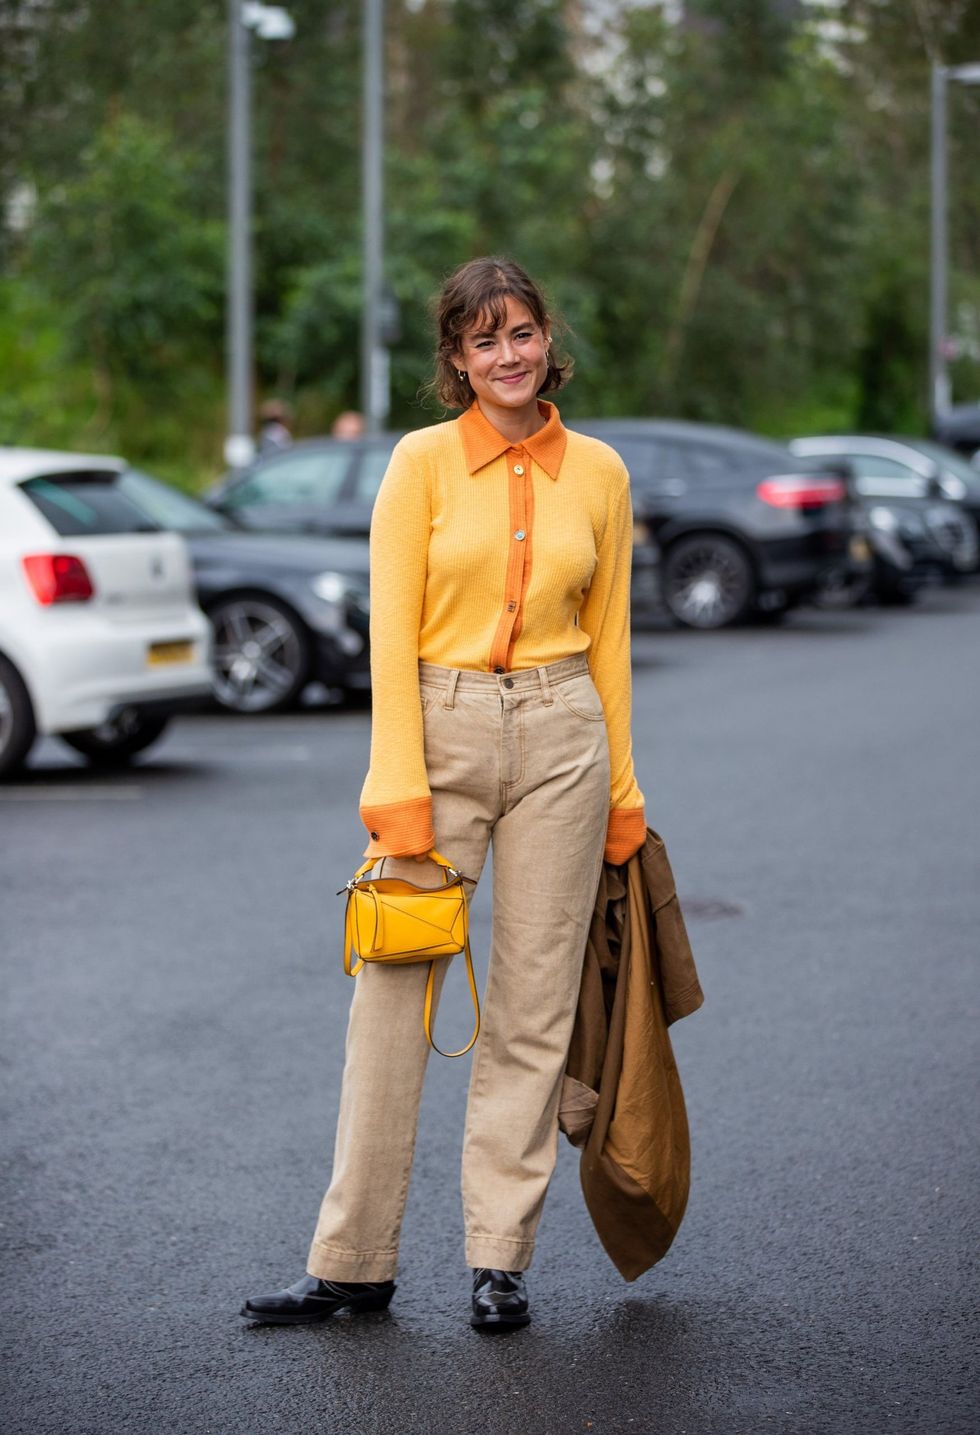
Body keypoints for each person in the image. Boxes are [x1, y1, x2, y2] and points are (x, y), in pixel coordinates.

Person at [242, 256, 646, 1331]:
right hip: (443, 723)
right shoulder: (417, 466)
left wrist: (622, 792)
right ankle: (351, 1260)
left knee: (532, 1005)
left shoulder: (598, 471)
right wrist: (396, 784)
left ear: (544, 340)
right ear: (455, 361)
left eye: (519, 333)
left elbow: (608, 642)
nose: (505, 355)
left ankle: (497, 1256)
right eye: (482, 340)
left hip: (565, 732)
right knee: (389, 996)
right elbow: (388, 632)